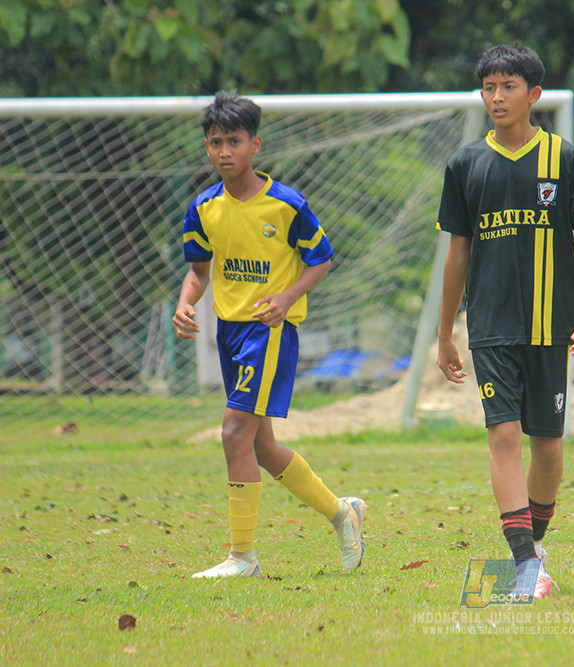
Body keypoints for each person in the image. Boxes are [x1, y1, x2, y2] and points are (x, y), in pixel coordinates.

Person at [436, 44, 574, 598]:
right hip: (489, 325)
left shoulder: (566, 160)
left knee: (548, 448)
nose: (496, 97)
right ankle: (525, 566)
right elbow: (457, 254)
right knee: (503, 434)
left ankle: (536, 544)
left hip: (550, 325)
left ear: (533, 95)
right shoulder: (465, 165)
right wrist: (445, 333)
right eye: (488, 87)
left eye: (508, 87)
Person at [173, 90, 366, 579]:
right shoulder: (203, 208)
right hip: (229, 332)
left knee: (234, 431)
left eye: (234, 141)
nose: (224, 152)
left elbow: (321, 259)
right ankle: (342, 512)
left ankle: (243, 558)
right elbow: (199, 270)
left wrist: (286, 297)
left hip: (270, 331)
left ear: (255, 145)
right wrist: (184, 303)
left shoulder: (286, 204)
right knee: (261, 447)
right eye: (215, 142)